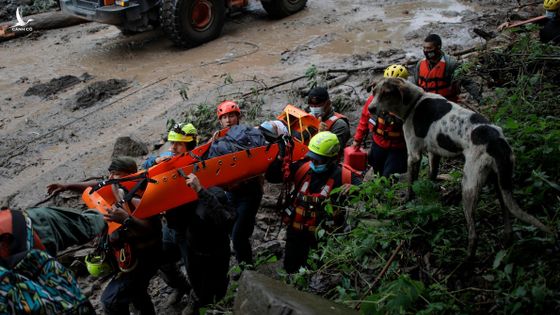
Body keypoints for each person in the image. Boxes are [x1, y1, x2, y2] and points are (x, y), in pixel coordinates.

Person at [266, 131, 362, 273]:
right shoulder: (303, 168)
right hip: (295, 235)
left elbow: (370, 194)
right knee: (290, 270)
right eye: (312, 158)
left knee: (315, 274)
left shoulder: (345, 176)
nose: (314, 163)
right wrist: (280, 157)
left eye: (319, 160)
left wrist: (356, 189)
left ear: (333, 158)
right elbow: (272, 177)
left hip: (322, 241)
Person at [214, 100, 263, 265]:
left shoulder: (250, 134)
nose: (228, 120)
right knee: (237, 230)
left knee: (238, 235)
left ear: (238, 117)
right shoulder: (217, 141)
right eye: (224, 117)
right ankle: (245, 261)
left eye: (231, 116)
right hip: (232, 193)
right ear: (220, 121)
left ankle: (247, 269)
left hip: (250, 191)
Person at [178, 173, 235, 315]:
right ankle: (198, 300)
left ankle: (214, 306)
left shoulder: (217, 194)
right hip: (193, 249)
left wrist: (200, 191)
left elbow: (225, 221)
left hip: (216, 253)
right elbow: (176, 225)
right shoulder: (182, 196)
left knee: (218, 288)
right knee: (198, 285)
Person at [351, 64, 409, 177]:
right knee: (377, 172)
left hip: (398, 148)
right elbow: (364, 119)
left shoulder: (406, 103)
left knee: (390, 176)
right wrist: (357, 140)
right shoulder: (373, 101)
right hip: (378, 144)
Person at [413, 34, 481, 103]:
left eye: (429, 48)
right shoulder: (420, 64)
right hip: (427, 103)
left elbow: (467, 82)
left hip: (446, 105)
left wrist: (479, 99)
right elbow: (414, 85)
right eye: (424, 48)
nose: (426, 51)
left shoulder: (450, 64)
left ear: (438, 47)